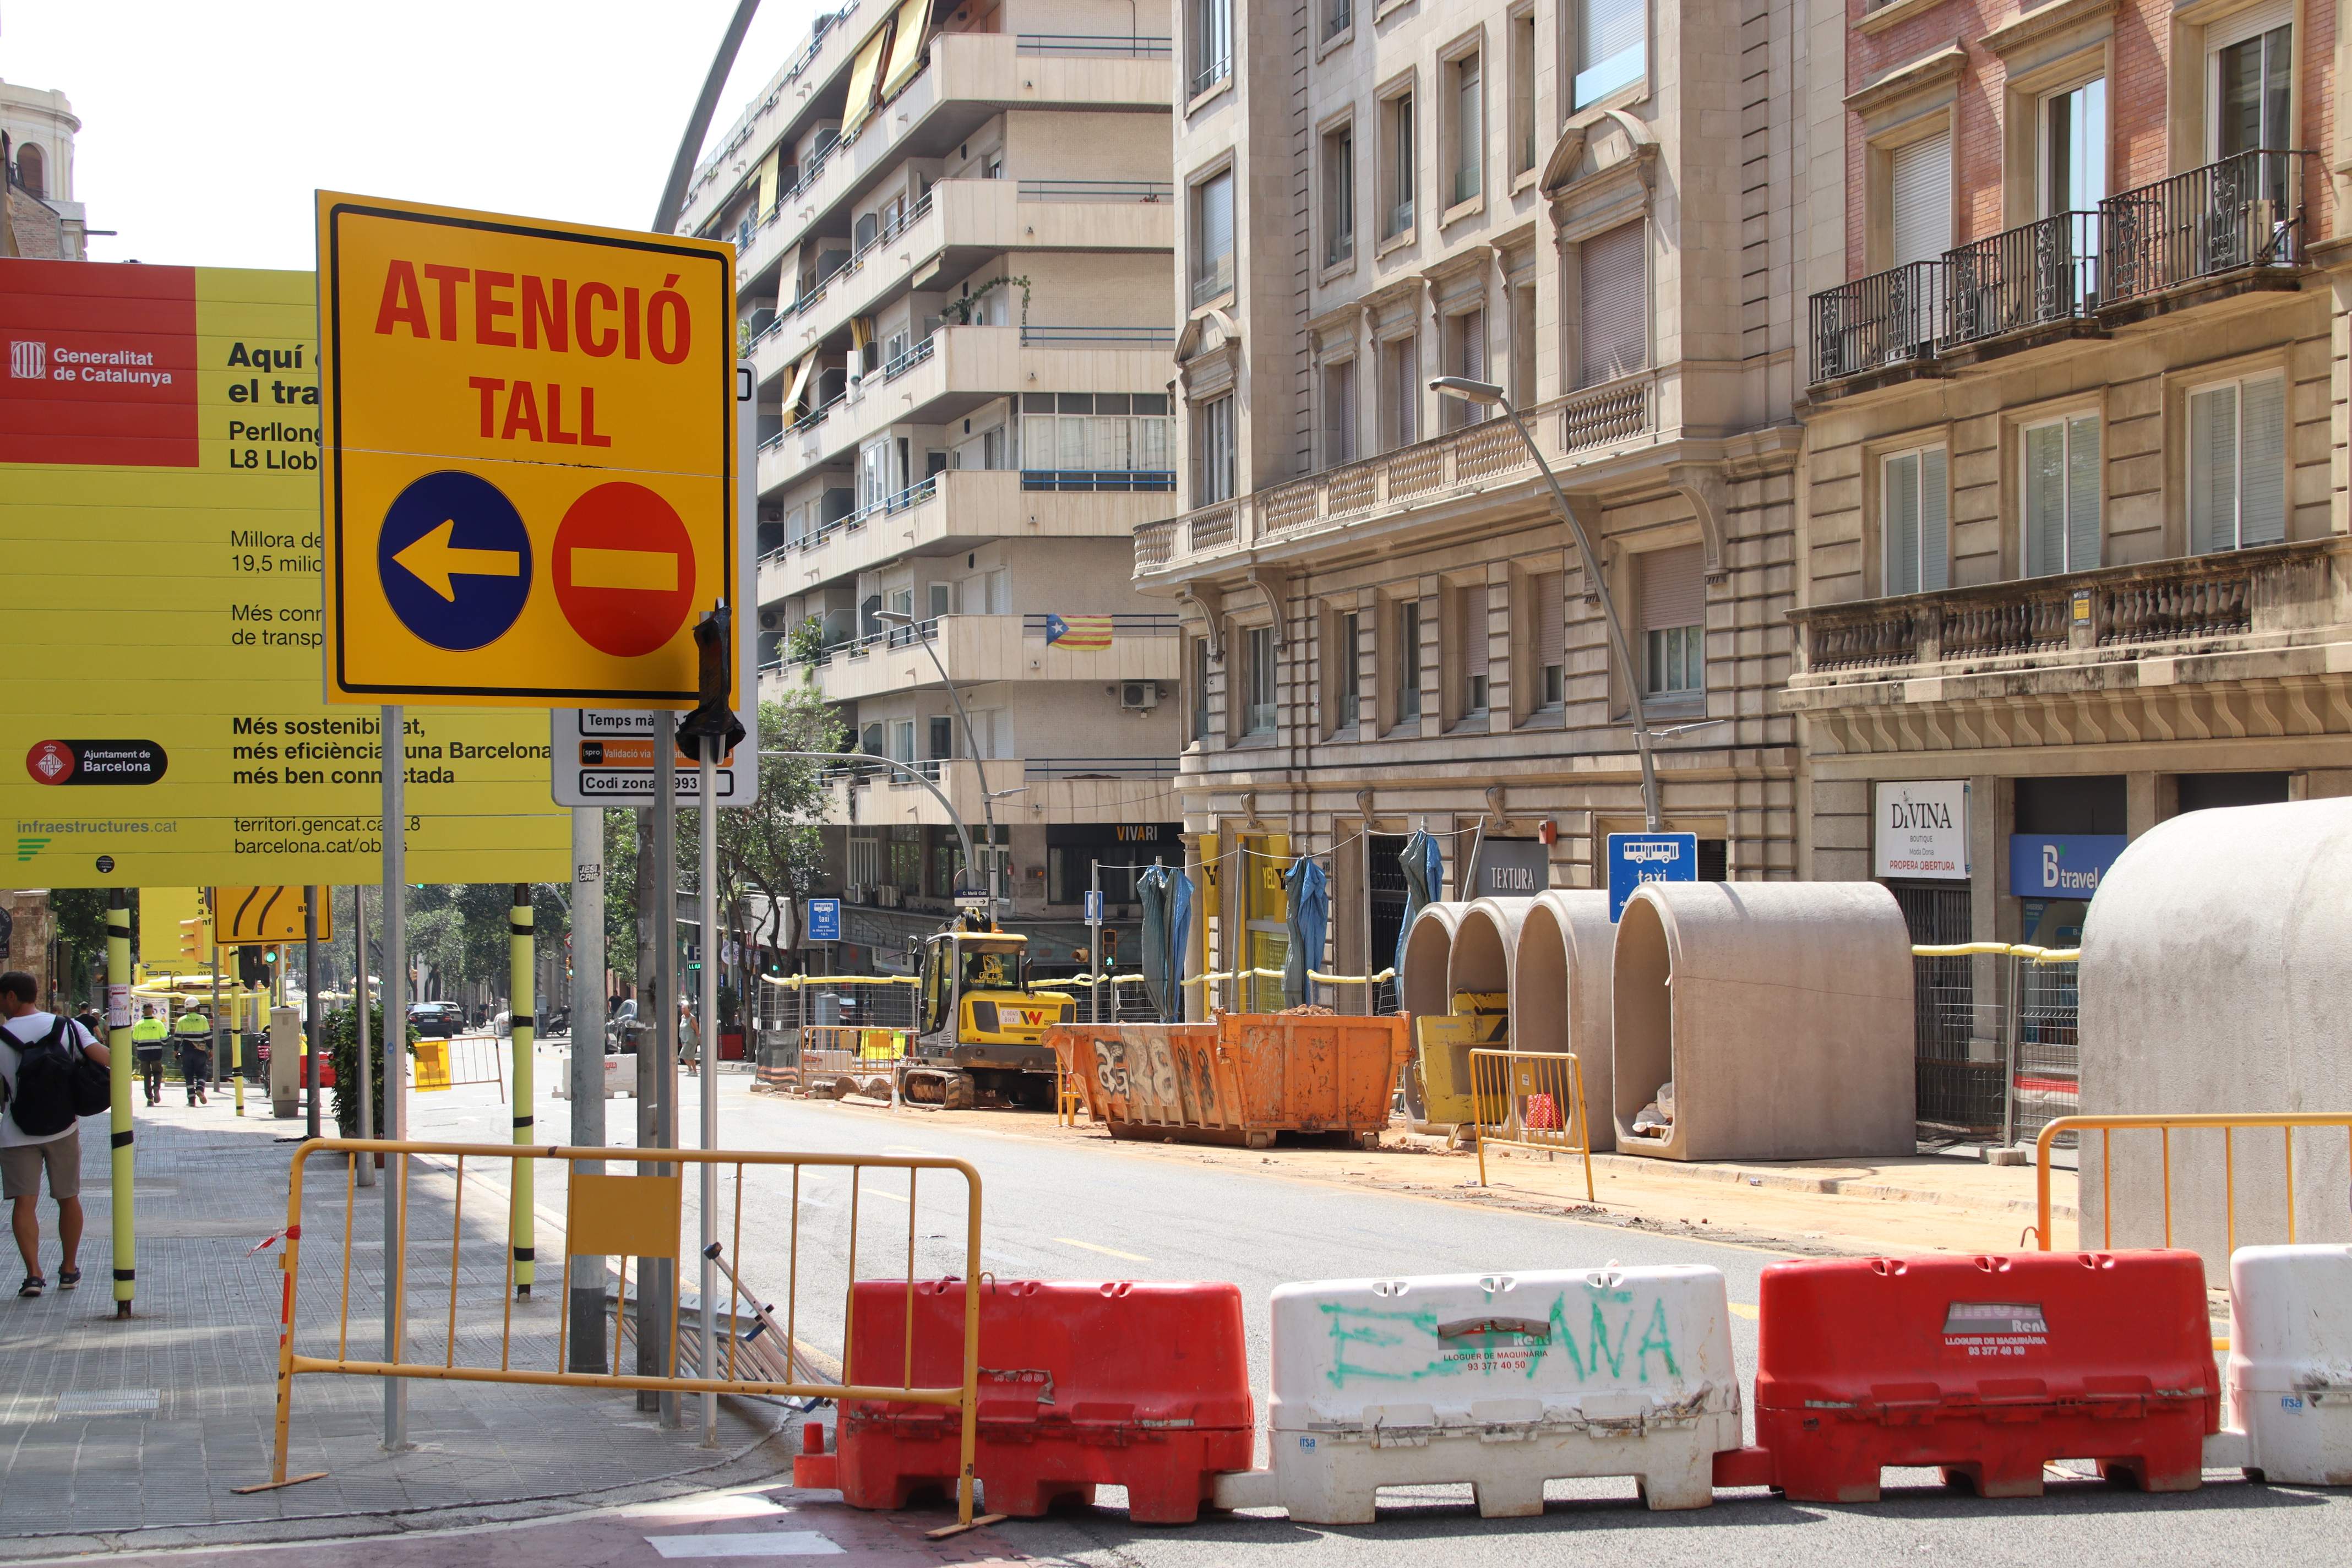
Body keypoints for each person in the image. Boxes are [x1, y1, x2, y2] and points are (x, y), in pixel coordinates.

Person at [0, 970, 110, 1298]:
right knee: (68, 1198)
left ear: (10, 997)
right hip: (64, 1126)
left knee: (24, 1203)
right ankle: (68, 1269)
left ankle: (33, 1275)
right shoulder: (67, 1027)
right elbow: (107, 1060)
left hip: (16, 1130)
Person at [172, 1005, 212, 1106]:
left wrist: (175, 1050)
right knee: (202, 1072)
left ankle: (191, 1100)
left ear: (187, 1008)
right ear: (197, 1007)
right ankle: (200, 1089)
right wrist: (211, 1049)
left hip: (187, 1051)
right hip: (200, 1051)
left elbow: (177, 1037)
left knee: (188, 1075)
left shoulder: (182, 1020)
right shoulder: (202, 1019)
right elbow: (207, 1035)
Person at [130, 1005, 168, 1107]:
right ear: (153, 1011)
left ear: (143, 1012)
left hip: (143, 1054)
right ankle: (156, 1087)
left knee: (147, 1075)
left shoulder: (138, 1024)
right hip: (156, 1053)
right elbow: (165, 1040)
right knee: (158, 1071)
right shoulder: (158, 1023)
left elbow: (134, 1041)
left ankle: (150, 1099)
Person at [678, 997, 701, 1076]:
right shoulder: (683, 1017)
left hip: (690, 1040)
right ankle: (694, 1072)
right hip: (684, 1039)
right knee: (691, 1057)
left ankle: (690, 1069)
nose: (683, 1010)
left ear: (689, 1009)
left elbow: (696, 1029)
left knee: (683, 1054)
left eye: (685, 1009)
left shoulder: (692, 1018)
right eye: (682, 1009)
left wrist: (699, 1038)